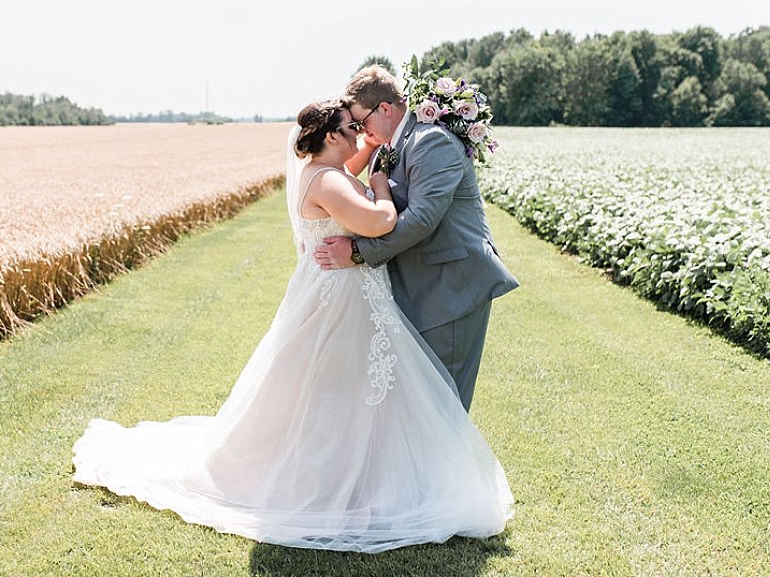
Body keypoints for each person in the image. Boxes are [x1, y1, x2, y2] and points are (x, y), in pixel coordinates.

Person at [71, 100, 513, 553]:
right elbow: (381, 222)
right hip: (338, 299)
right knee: (335, 390)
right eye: (349, 128)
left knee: (358, 389)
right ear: (330, 139)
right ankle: (326, 483)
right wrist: (380, 185)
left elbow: (357, 163)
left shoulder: (332, 171)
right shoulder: (327, 181)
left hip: (352, 293)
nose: (358, 134)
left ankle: (366, 476)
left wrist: (373, 153)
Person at [314, 66, 519, 411]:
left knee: (442, 404)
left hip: (451, 286)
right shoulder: (385, 149)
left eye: (361, 123)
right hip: (417, 286)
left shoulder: (431, 142)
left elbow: (422, 218)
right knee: (415, 409)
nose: (361, 133)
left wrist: (360, 253)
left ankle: (448, 468)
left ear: (385, 109)